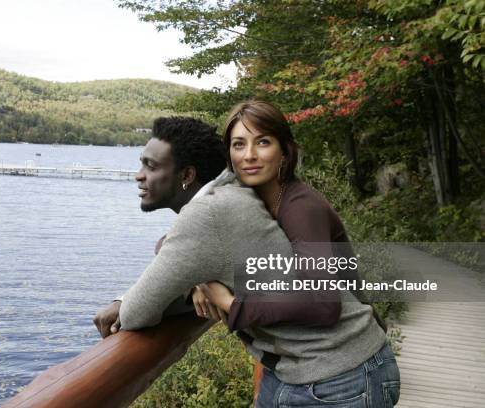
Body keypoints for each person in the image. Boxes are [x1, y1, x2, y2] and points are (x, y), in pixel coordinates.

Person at [116, 101, 400, 407]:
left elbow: (324, 303)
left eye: (262, 142)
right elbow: (185, 244)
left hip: (344, 372)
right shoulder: (246, 195)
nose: (249, 155)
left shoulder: (300, 206)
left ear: (284, 151)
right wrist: (197, 280)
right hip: (298, 371)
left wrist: (230, 304)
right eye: (239, 144)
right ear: (228, 154)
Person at [93, 115, 226, 337]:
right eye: (141, 163)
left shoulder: (201, 221)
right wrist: (193, 283)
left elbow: (136, 313)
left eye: (151, 166)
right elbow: (174, 251)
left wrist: (123, 304)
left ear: (187, 175)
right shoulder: (225, 198)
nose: (139, 176)